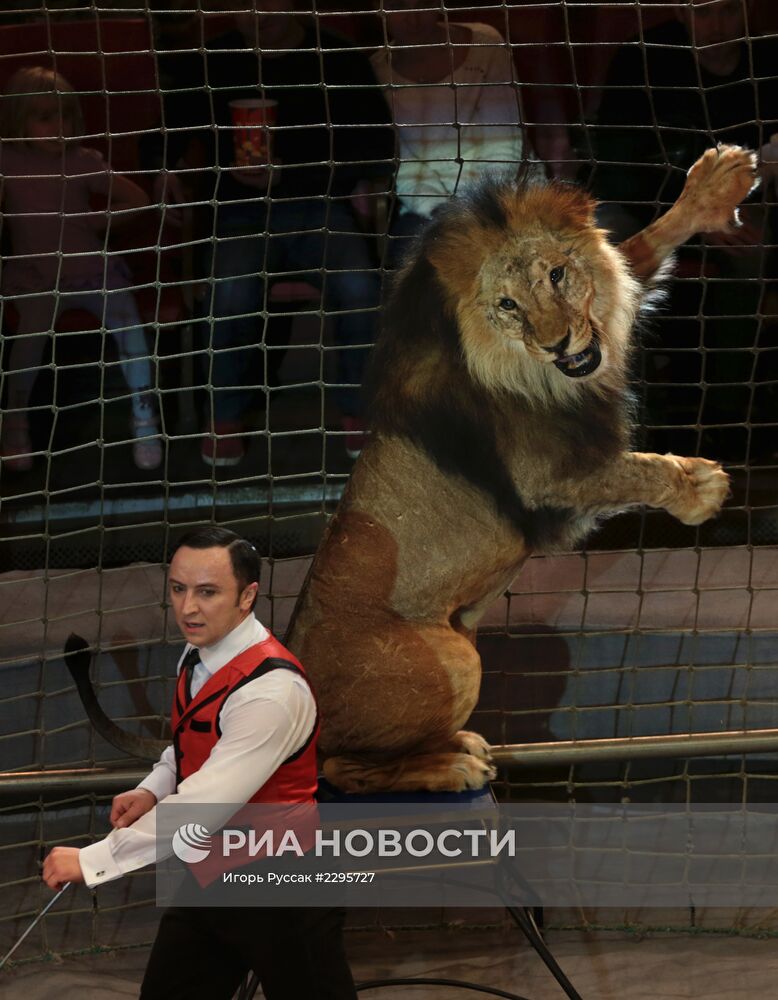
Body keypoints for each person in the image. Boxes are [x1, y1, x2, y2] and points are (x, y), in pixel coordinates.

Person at [43, 525, 356, 1000]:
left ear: (247, 596)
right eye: (178, 589)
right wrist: (152, 788)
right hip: (213, 876)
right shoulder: (198, 653)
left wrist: (93, 860)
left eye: (207, 592)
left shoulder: (272, 692)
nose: (188, 608)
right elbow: (191, 747)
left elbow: (204, 805)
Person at [155, 1, 394, 466]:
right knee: (229, 291)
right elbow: (168, 131)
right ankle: (223, 418)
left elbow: (376, 147)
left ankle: (359, 411)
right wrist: (167, 166)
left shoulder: (338, 58)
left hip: (318, 206)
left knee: (360, 286)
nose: (254, 12)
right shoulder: (212, 59)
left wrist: (290, 174)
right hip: (239, 211)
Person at [591, 0, 778, 461]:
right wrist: (694, 215)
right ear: (682, 12)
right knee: (609, 252)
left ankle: (727, 418)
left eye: (728, 12)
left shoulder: (768, 60)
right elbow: (618, 164)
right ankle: (636, 423)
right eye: (704, 13)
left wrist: (725, 208)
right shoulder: (641, 57)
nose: (716, 26)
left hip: (737, 206)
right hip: (646, 202)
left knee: (754, 253)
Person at [0, 66, 162, 472]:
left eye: (65, 115)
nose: (59, 126)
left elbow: (139, 199)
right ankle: (14, 422)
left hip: (92, 270)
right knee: (28, 343)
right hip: (37, 275)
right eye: (45, 117)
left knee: (130, 328)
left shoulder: (82, 160)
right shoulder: (7, 161)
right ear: (19, 120)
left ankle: (145, 417)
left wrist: (99, 220)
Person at [371, 0, 538, 266]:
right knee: (412, 273)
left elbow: (505, 143)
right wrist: (439, 212)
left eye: (421, 3)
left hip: (505, 196)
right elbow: (403, 164)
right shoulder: (376, 70)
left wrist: (470, 211)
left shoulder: (485, 43)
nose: (412, 17)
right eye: (398, 4)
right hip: (426, 208)